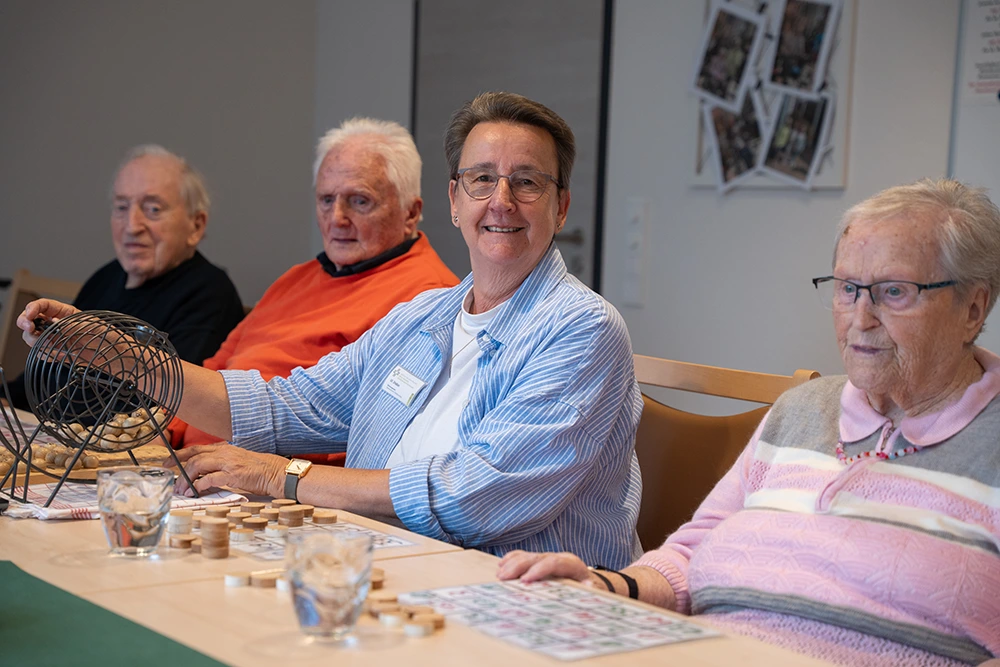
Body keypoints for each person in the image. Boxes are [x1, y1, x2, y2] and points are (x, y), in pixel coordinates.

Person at [19, 92, 644, 569]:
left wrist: (280, 477)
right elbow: (287, 406)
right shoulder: (420, 319)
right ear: (455, 200)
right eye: (482, 178)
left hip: (518, 600)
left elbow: (475, 495)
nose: (501, 200)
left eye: (527, 182)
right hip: (385, 564)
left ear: (560, 206)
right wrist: (122, 357)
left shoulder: (581, 331)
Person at [497, 179, 1000, 666]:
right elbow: (692, 552)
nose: (860, 317)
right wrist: (605, 584)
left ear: (973, 308)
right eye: (847, 288)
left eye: (893, 292)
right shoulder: (801, 411)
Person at [173, 118, 459, 457]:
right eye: (326, 200)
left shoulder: (429, 298)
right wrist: (158, 434)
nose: (336, 217)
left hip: (273, 484)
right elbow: (218, 364)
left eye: (359, 201)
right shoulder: (297, 278)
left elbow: (373, 436)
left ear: (410, 213)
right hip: (186, 466)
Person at [4, 145, 244, 410]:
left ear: (196, 226)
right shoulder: (107, 276)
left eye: (153, 209)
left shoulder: (210, 294)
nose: (132, 226)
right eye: (121, 207)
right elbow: (44, 376)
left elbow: (161, 409)